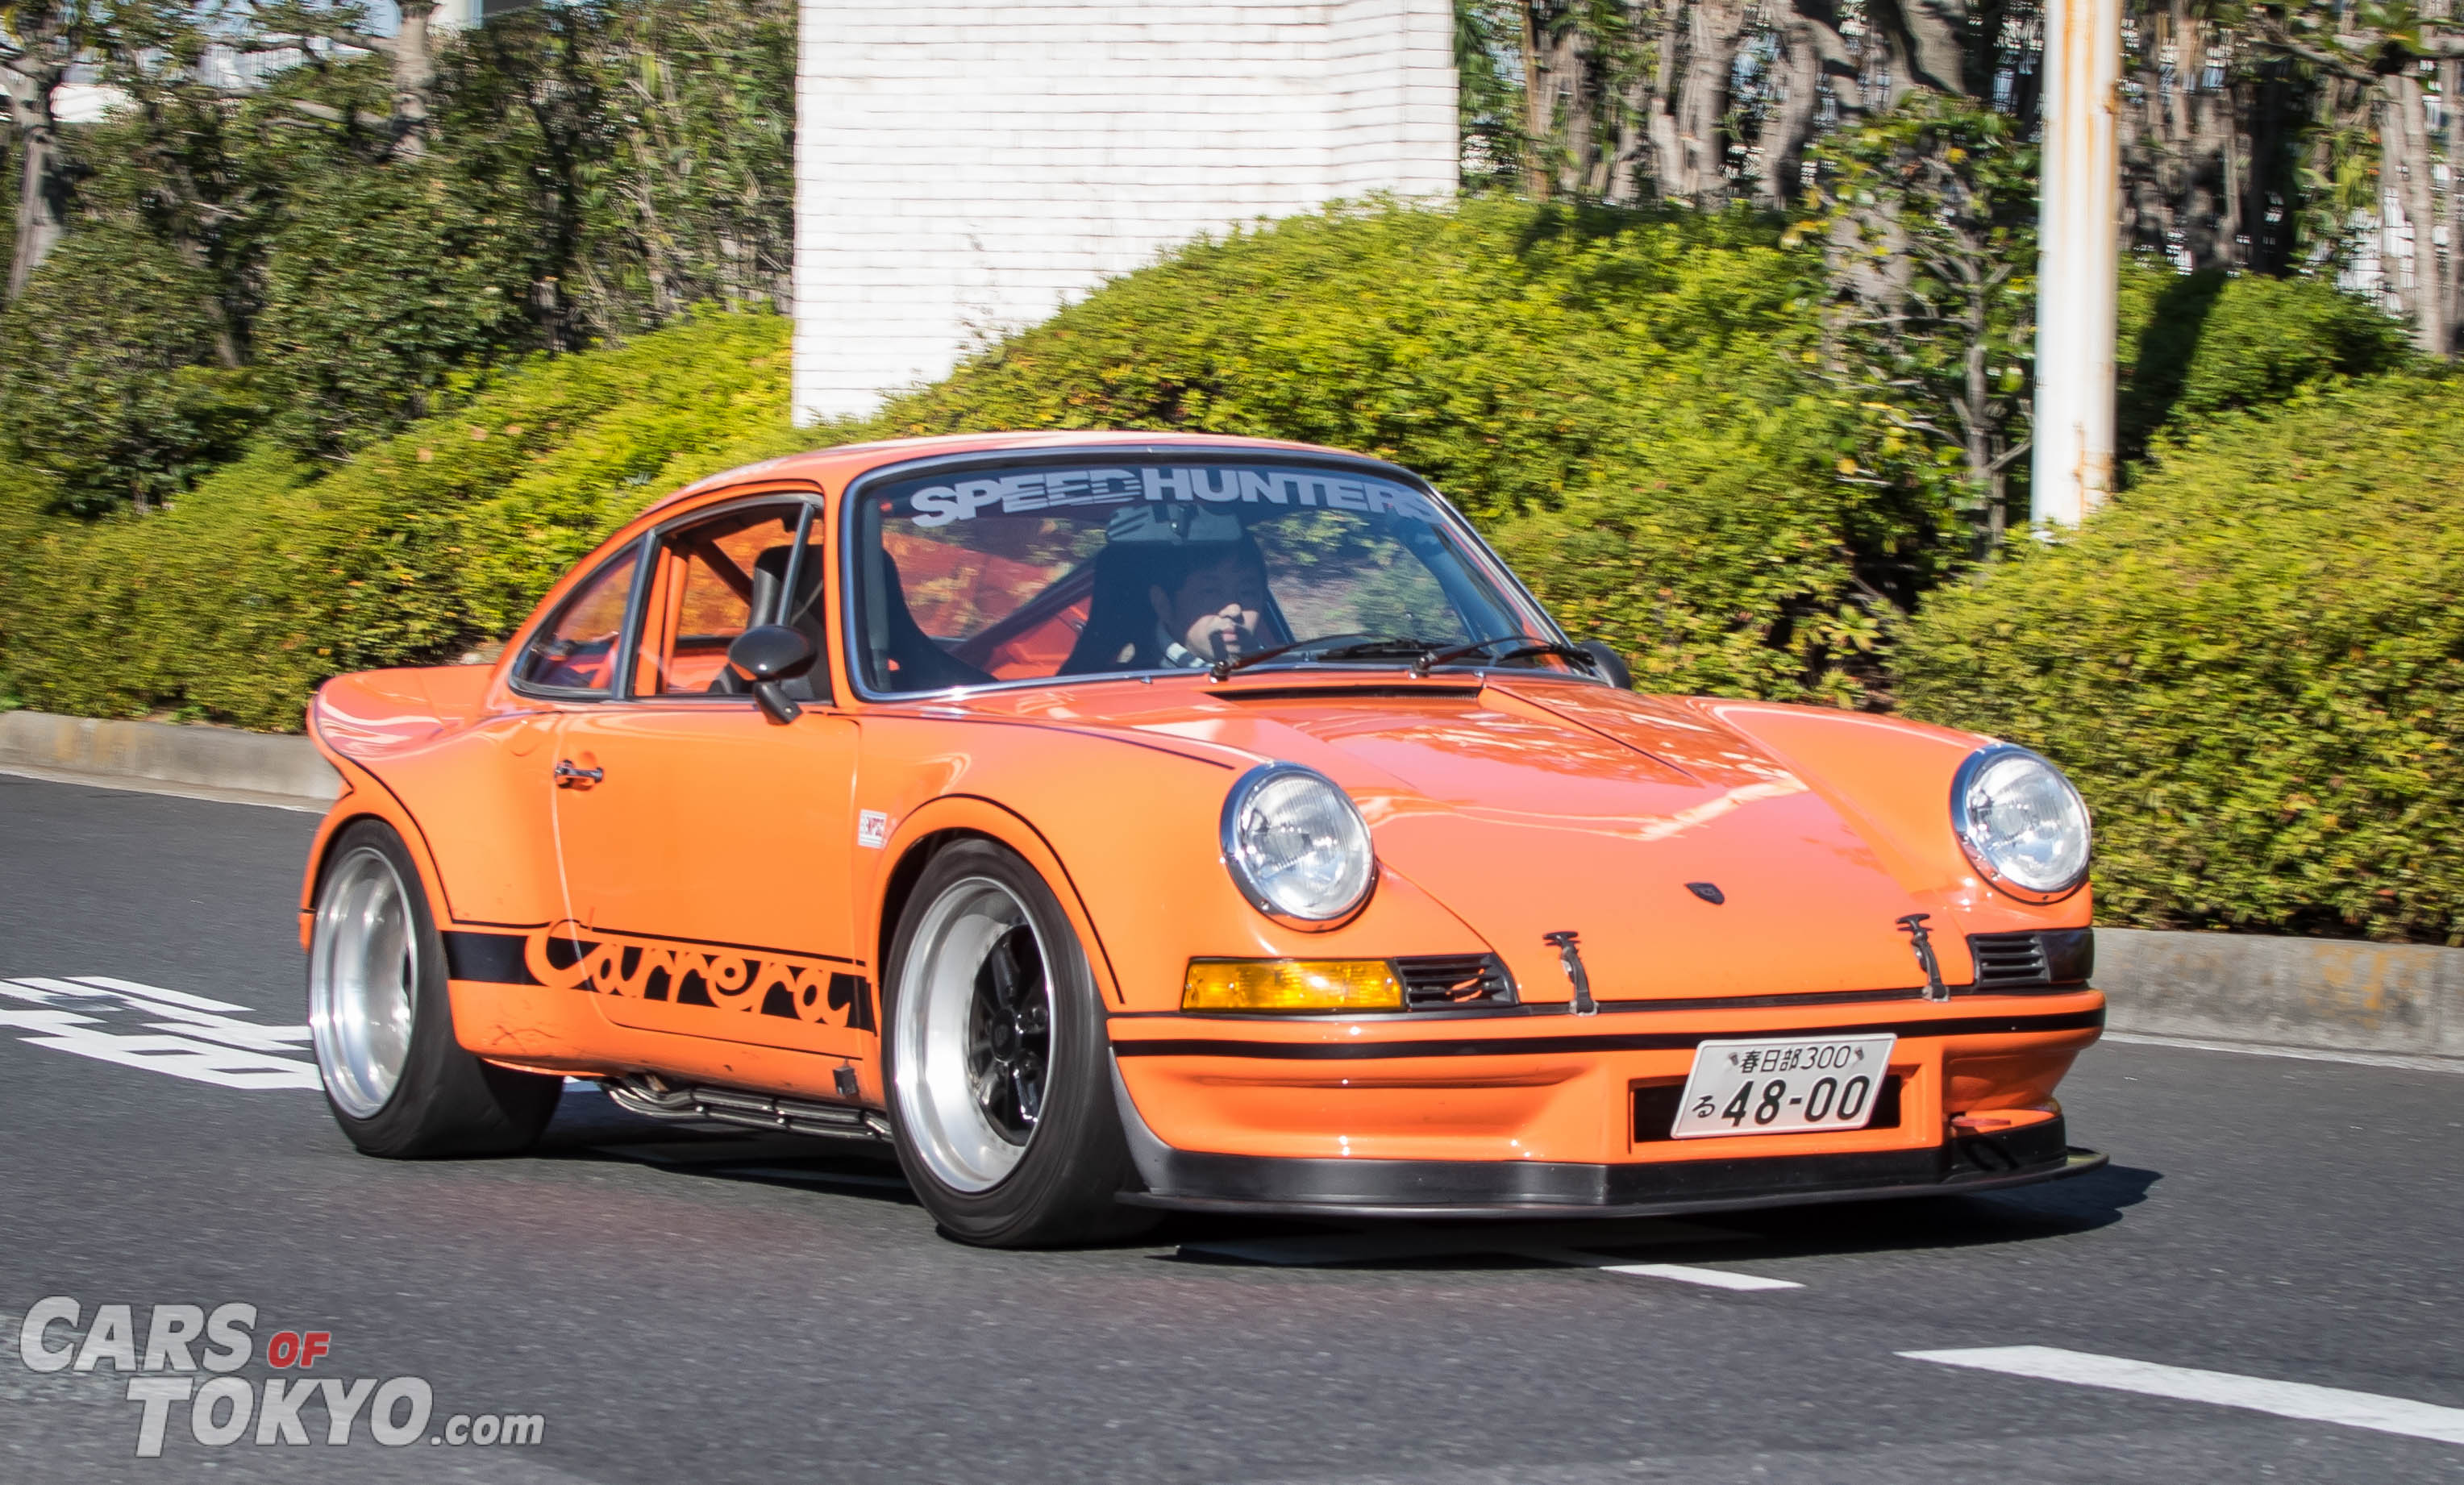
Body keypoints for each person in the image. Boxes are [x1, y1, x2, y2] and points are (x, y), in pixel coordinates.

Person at [1148, 542, 1269, 668]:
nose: (1234, 611)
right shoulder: (1137, 680)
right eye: (1211, 592)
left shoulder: (1282, 670)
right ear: (1163, 604)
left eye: (1246, 593)